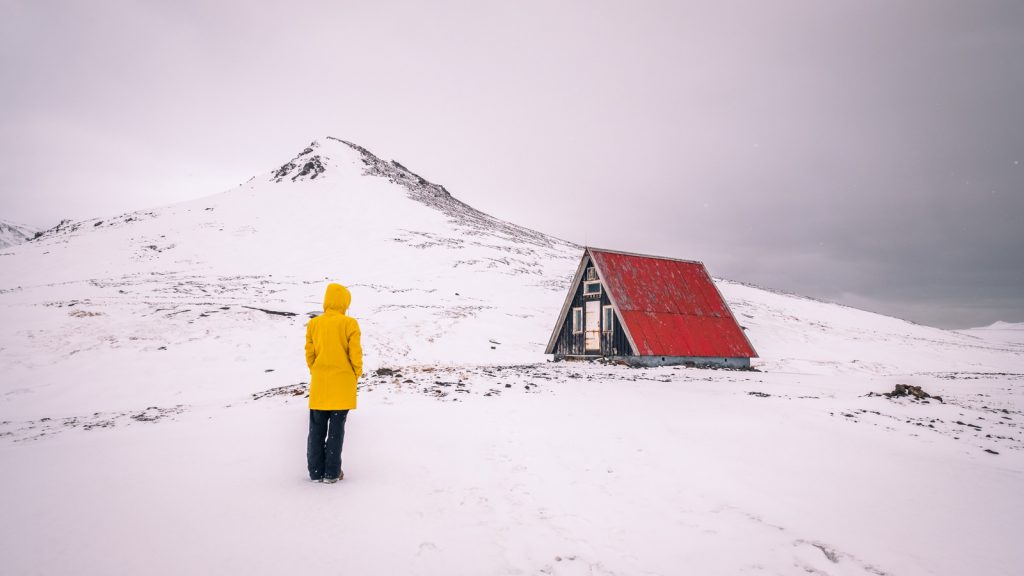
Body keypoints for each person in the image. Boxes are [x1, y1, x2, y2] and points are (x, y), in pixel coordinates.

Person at [305, 283, 362, 483]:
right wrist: (355, 374)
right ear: (345, 302)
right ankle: (331, 472)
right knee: (336, 431)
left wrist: (317, 371)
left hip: (320, 385)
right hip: (342, 385)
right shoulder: (349, 323)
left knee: (316, 430)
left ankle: (315, 472)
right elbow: (355, 354)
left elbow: (310, 354)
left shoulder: (314, 324)